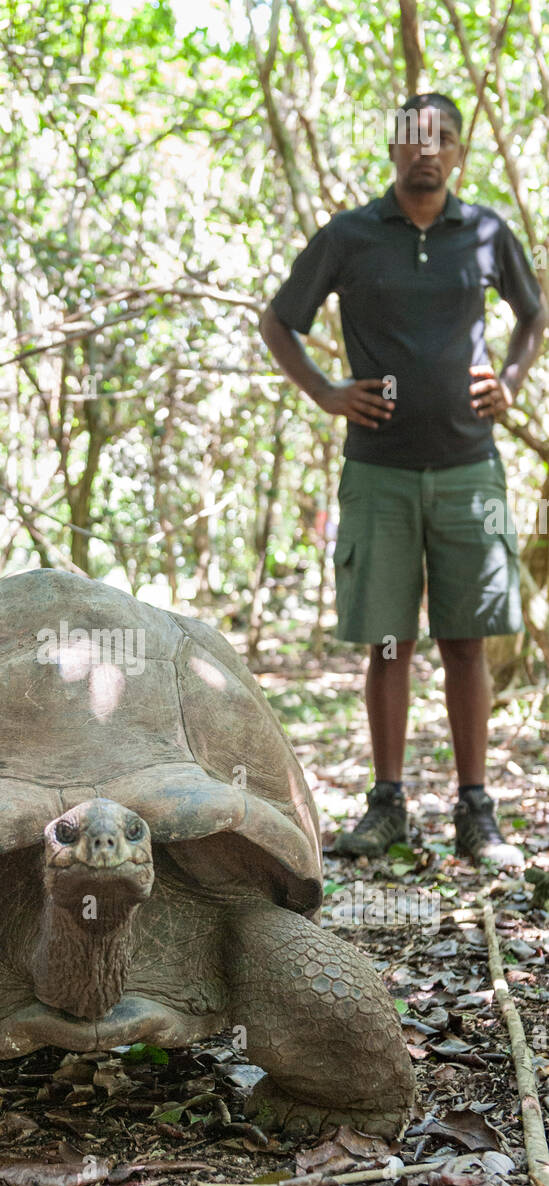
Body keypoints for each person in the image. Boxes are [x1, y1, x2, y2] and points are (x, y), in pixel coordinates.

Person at [260, 92, 546, 868]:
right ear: (392, 148)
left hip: (466, 468)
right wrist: (324, 391)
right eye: (414, 139)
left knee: (464, 642)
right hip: (378, 471)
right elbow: (279, 318)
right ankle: (385, 806)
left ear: (457, 153)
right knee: (388, 642)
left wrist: (511, 379)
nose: (428, 151)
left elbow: (531, 312)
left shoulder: (483, 232)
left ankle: (474, 812)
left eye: (442, 139)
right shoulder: (350, 236)